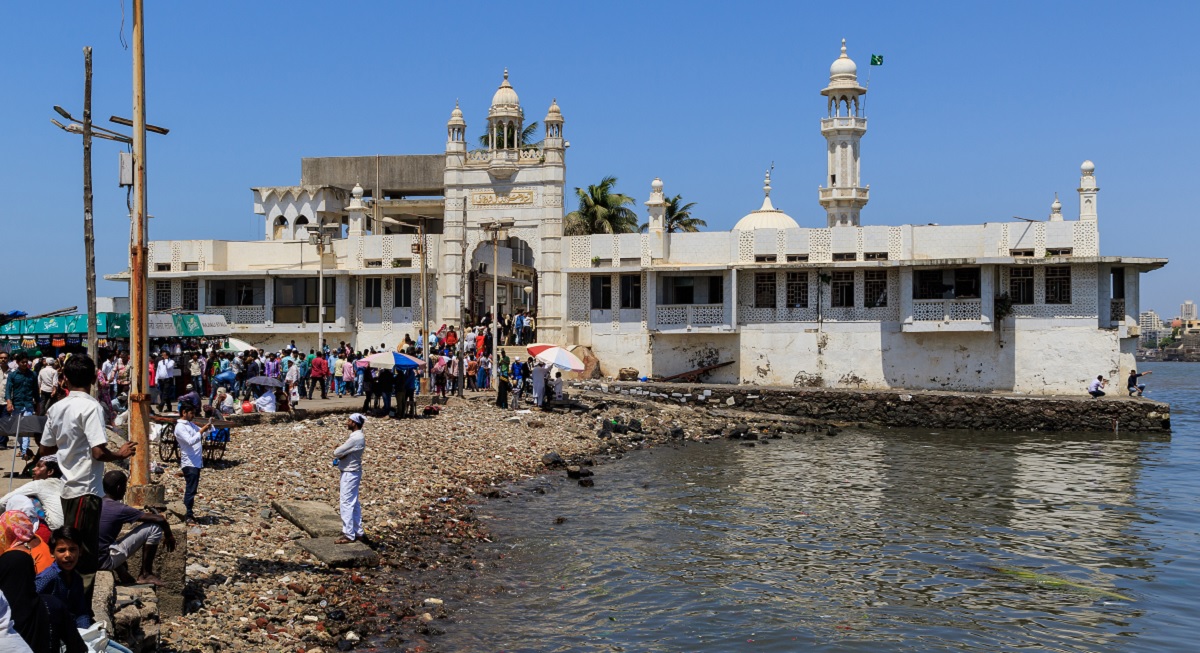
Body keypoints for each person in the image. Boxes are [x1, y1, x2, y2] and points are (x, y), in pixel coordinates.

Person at [37, 354, 136, 594]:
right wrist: (120, 454)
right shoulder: (91, 406)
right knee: (82, 553)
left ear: (65, 379)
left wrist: (68, 442)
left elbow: (45, 448)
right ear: (94, 378)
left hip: (67, 488)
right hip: (86, 490)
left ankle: (61, 597)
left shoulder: (57, 407)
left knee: (69, 546)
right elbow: (99, 452)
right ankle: (80, 608)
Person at [1, 510, 88, 653]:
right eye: (62, 550)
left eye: (73, 549)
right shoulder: (49, 591)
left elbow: (81, 611)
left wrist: (84, 630)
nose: (68, 555)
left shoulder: (5, 614)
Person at [96, 471, 174, 587]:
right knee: (154, 528)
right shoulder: (120, 509)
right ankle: (145, 574)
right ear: (119, 488)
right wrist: (169, 536)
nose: (125, 490)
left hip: (91, 560)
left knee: (107, 541)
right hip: (104, 562)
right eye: (124, 486)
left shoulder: (97, 504)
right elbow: (160, 520)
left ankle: (123, 573)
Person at [2, 455, 65, 531]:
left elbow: (3, 502)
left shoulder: (39, 484)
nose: (34, 469)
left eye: (39, 466)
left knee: (21, 499)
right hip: (70, 528)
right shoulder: (64, 483)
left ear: (50, 472)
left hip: (54, 529)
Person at [174, 405, 212, 524]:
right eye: (191, 413)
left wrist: (207, 428)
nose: (193, 415)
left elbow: (201, 434)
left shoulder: (190, 424)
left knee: (193, 489)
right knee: (190, 489)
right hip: (189, 462)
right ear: (184, 412)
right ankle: (187, 514)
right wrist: (202, 430)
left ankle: (188, 512)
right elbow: (190, 441)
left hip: (196, 462)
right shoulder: (180, 427)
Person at [332, 414, 366, 544]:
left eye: (349, 421)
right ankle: (358, 531)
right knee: (354, 502)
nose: (347, 423)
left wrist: (340, 453)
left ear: (354, 423)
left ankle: (349, 534)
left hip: (350, 473)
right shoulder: (358, 436)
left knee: (346, 502)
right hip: (353, 471)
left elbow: (337, 452)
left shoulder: (356, 438)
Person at [5, 352, 38, 452]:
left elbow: (36, 390)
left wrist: (38, 403)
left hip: (28, 404)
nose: (24, 364)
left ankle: (25, 451)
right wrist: (9, 402)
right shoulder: (12, 375)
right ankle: (22, 446)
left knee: (26, 429)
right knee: (17, 430)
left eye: (26, 362)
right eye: (22, 362)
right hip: (17, 405)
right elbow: (8, 390)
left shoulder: (33, 375)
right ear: (18, 362)